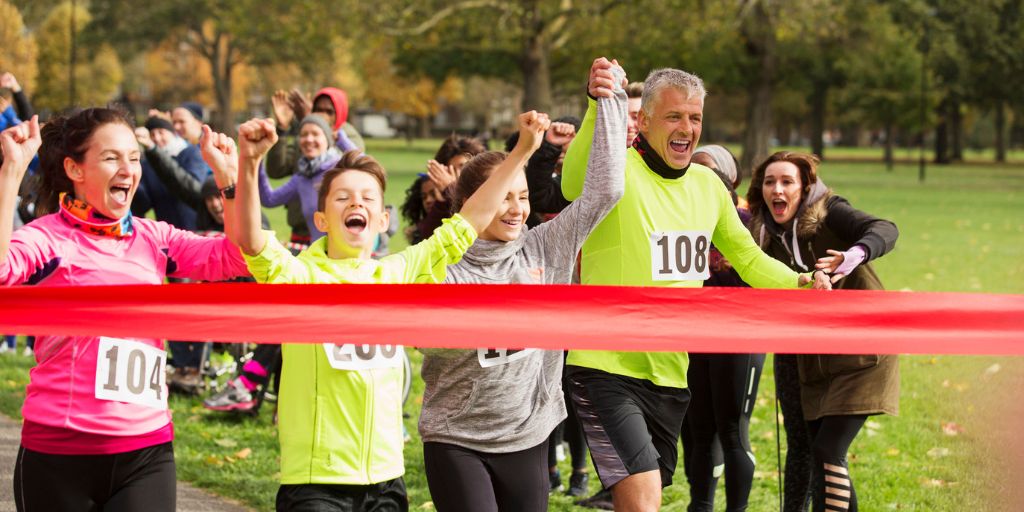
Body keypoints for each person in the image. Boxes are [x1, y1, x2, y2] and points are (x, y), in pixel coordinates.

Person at [223, 111, 552, 512]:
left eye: (367, 198)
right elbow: (252, 241)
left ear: (382, 220)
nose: (355, 203)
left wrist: (521, 152)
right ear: (322, 219)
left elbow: (471, 218)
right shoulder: (297, 276)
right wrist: (250, 162)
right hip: (317, 481)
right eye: (342, 197)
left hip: (386, 480)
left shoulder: (401, 272)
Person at [560, 58, 831, 512]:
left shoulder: (708, 186)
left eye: (695, 118)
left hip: (668, 373)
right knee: (643, 497)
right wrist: (594, 105)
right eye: (674, 116)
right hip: (604, 366)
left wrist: (800, 282)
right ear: (643, 121)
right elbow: (571, 185)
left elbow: (747, 257)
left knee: (646, 495)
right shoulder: (617, 170)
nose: (687, 128)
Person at [0, 110, 248, 511]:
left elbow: (236, 258)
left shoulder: (154, 237)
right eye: (112, 157)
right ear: (74, 169)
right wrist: (10, 172)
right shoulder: (47, 238)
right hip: (60, 451)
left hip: (145, 452)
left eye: (134, 158)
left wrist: (229, 179)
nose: (128, 169)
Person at [416, 65, 626, 512]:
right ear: (472, 203)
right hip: (457, 437)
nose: (517, 210)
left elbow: (605, 192)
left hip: (528, 434)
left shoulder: (544, 247)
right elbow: (425, 341)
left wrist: (609, 100)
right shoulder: (441, 264)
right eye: (504, 197)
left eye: (524, 196)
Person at [746, 151, 899, 512]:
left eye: (787, 182)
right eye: (770, 182)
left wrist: (855, 254)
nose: (777, 190)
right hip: (812, 358)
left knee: (830, 451)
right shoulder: (763, 235)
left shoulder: (831, 212)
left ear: (805, 189)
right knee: (822, 459)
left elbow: (886, 229)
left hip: (861, 353)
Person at [681, 145, 764, 512]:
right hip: (693, 338)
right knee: (699, 433)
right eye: (693, 169)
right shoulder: (679, 219)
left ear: (731, 179)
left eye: (710, 171)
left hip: (738, 338)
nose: (701, 178)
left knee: (732, 431)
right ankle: (700, 506)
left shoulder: (747, 223)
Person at [133, 115, 214, 393]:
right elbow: (142, 201)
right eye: (152, 134)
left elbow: (189, 187)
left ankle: (196, 367)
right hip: (165, 243)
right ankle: (181, 366)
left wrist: (155, 154)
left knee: (197, 307)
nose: (156, 139)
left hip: (195, 238)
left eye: (161, 133)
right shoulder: (149, 162)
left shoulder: (191, 154)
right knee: (174, 306)